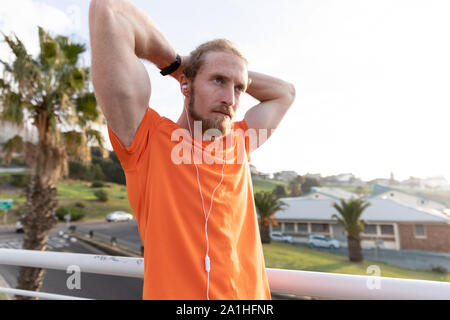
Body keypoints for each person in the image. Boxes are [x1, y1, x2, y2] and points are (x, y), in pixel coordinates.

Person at [89, 0, 295, 300]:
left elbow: (285, 92)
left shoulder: (239, 141)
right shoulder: (145, 139)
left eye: (239, 87)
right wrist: (177, 65)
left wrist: (209, 69)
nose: (230, 98)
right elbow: (108, 11)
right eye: (218, 81)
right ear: (185, 85)